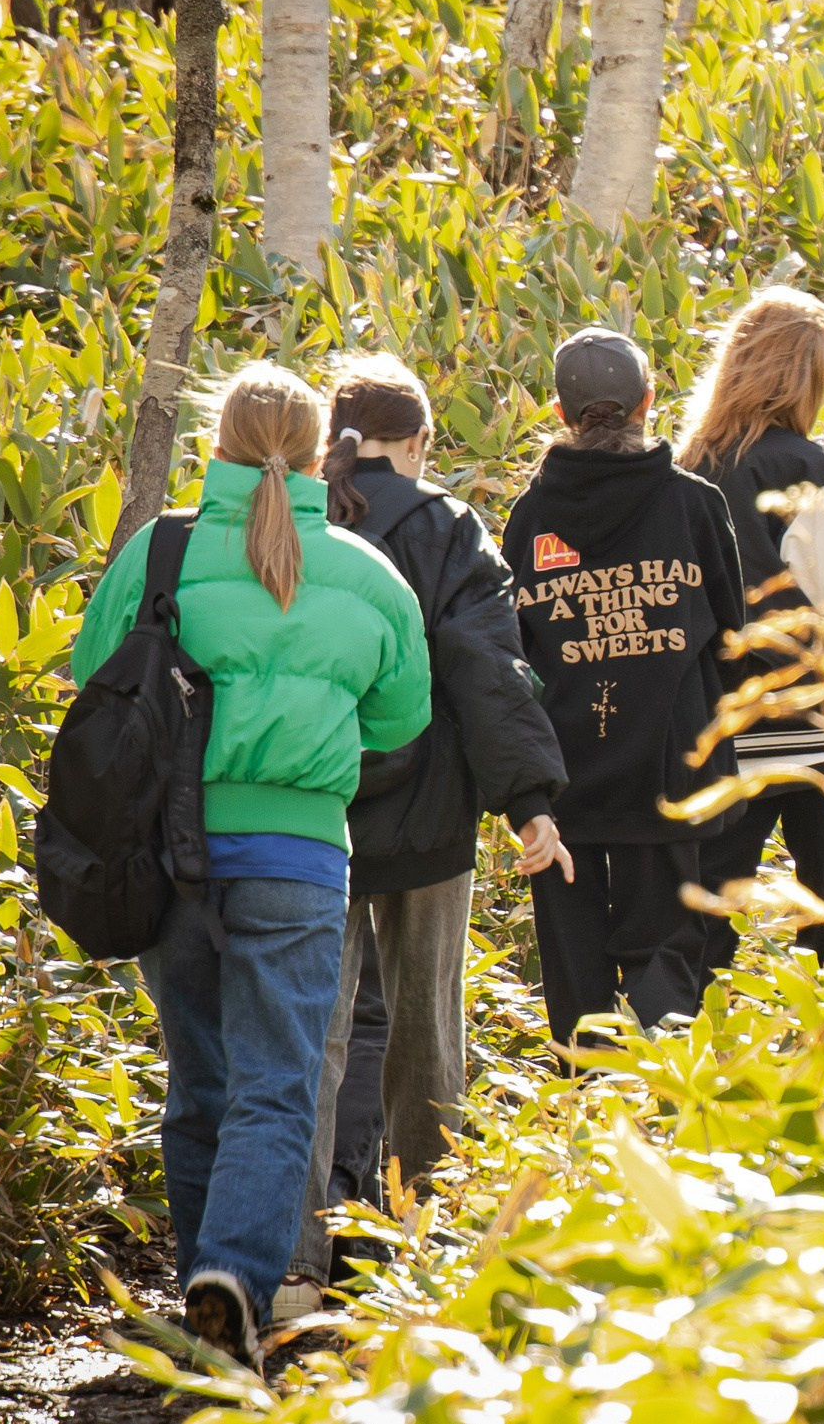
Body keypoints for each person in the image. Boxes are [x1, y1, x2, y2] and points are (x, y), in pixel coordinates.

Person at [71, 363, 430, 1360]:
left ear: (211, 446)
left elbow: (92, 678)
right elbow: (404, 715)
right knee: (279, 1088)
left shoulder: (159, 553)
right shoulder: (367, 574)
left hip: (168, 853)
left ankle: (204, 1288)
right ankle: (236, 1276)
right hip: (300, 857)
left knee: (201, 1085)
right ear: (326, 456)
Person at [279, 355, 571, 1317]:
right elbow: (490, 665)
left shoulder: (288, 519)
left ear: (335, 438)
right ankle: (417, 1242)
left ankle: (297, 1257)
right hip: (430, 816)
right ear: (421, 443)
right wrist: (529, 797)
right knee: (427, 1034)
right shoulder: (447, 528)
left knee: (312, 1039)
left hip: (309, 811)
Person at [502, 328, 747, 1049]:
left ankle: (585, 1122)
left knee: (575, 981)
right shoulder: (694, 507)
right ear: (650, 400)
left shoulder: (530, 517)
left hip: (564, 785)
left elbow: (511, 659)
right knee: (666, 962)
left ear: (558, 411)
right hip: (671, 774)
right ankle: (657, 1127)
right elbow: (735, 640)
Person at [678, 287, 824, 963]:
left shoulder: (688, 469)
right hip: (819, 721)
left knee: (702, 922)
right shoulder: (811, 467)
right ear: (808, 374)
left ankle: (689, 1052)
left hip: (723, 723)